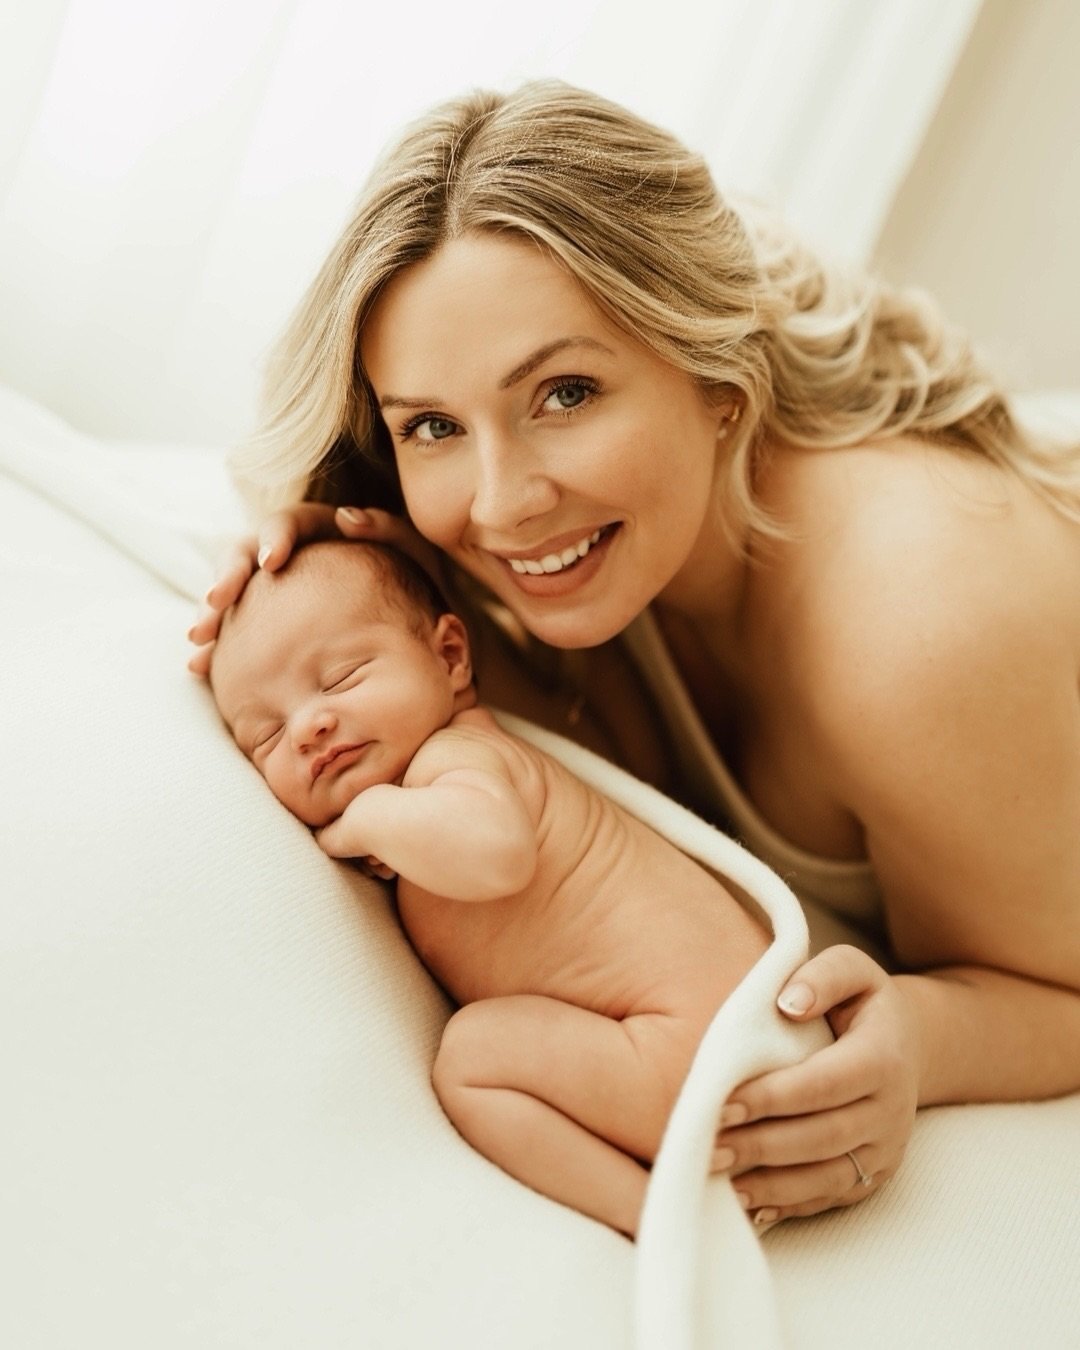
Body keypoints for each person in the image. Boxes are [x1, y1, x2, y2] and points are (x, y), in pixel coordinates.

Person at [189, 80, 1080, 1227]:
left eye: (565, 392)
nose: (504, 503)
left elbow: (1065, 985)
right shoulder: (543, 561)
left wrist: (921, 1035)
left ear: (717, 373)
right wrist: (326, 588)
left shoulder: (919, 621)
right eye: (432, 426)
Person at [207, 537, 770, 1237]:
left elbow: (497, 856)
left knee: (473, 1058)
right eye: (266, 736)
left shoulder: (460, 757)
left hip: (701, 1051)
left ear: (450, 657)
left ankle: (658, 1220)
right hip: (719, 1044)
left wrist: (369, 819)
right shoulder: (433, 790)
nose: (308, 727)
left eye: (343, 677)